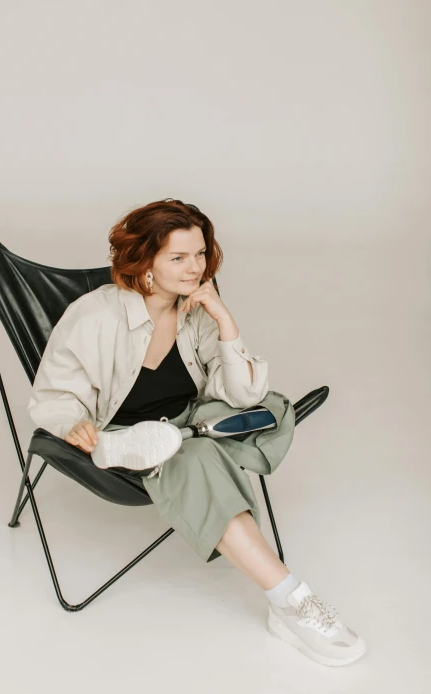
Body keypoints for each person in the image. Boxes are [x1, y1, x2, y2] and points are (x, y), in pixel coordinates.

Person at [27, 198, 366, 667]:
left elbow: (243, 394)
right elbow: (53, 396)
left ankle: (181, 445)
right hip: (129, 426)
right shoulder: (94, 315)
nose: (195, 268)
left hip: (193, 419)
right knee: (202, 458)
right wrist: (75, 425)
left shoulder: (197, 310)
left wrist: (225, 320)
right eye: (179, 257)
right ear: (145, 261)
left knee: (270, 405)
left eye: (201, 254)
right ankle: (291, 601)